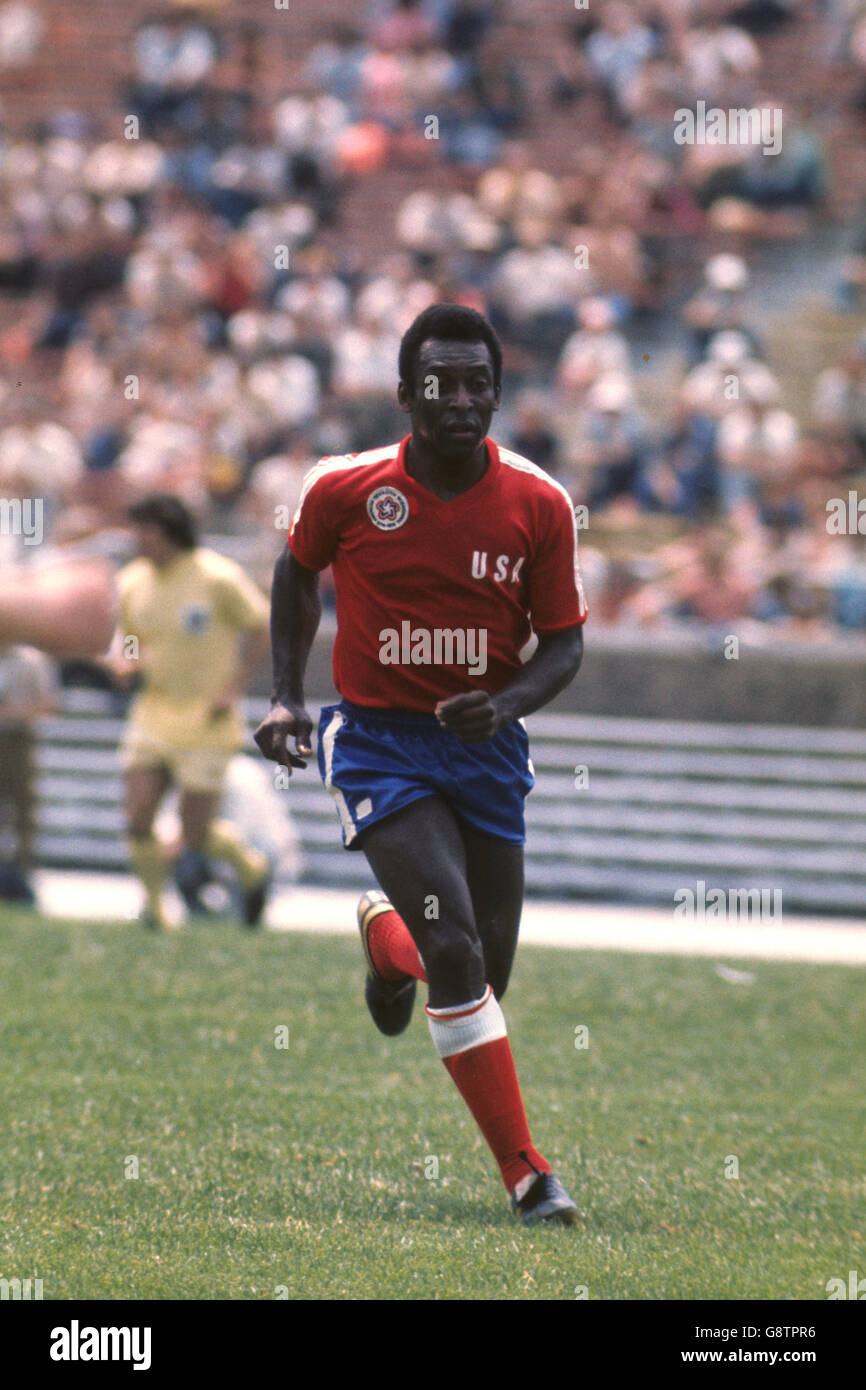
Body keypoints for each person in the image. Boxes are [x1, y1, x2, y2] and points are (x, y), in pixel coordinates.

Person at [254, 303, 587, 1226]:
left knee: (478, 978)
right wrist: (286, 695)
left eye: (479, 383)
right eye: (440, 382)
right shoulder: (346, 486)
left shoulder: (539, 503)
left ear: (498, 393)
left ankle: (383, 943)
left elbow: (564, 645)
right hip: (377, 741)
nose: (460, 399)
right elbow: (295, 573)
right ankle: (529, 1177)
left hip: (484, 747)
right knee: (457, 948)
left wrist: (507, 703)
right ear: (405, 393)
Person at [113, 494, 271, 930]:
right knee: (138, 816)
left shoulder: (217, 576)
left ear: (166, 533)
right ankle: (156, 911)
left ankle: (253, 869)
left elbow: (260, 627)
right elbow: (130, 637)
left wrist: (233, 687)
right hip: (153, 713)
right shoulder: (132, 581)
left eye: (143, 530)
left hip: (207, 721)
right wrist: (128, 660)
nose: (136, 539)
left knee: (195, 834)